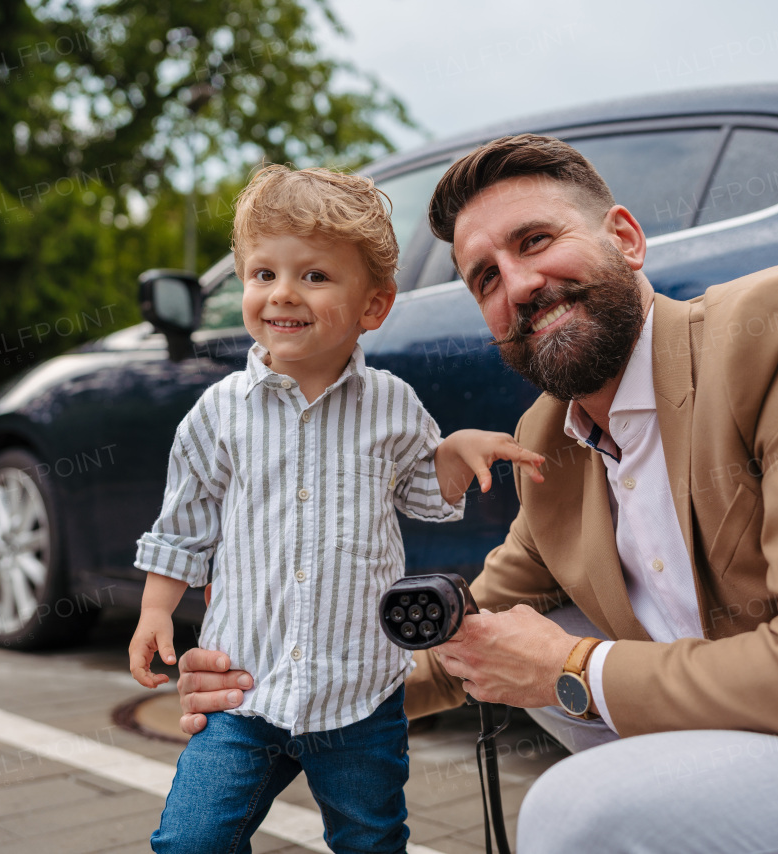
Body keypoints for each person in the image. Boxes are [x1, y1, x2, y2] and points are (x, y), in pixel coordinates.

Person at [172, 138, 778, 854]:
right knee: (502, 644)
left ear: (626, 240)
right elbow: (452, 649)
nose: (516, 285)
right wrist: (266, 688)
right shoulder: (553, 441)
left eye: (535, 242)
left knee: (580, 806)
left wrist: (567, 670)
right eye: (484, 277)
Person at [128, 163, 545, 854]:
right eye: (263, 274)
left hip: (361, 696)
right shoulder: (218, 414)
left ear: (373, 306)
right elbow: (185, 524)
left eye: (315, 276)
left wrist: (453, 452)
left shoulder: (391, 404)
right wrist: (153, 614)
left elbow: (421, 492)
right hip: (245, 694)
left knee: (371, 840)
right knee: (189, 842)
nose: (283, 293)